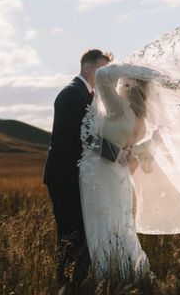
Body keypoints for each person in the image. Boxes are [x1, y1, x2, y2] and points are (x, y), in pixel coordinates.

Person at [78, 62, 180, 283]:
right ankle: (128, 271)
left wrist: (126, 66)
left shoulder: (117, 108)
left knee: (102, 222)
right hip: (120, 175)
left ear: (130, 85)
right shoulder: (141, 119)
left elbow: (101, 76)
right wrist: (128, 152)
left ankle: (107, 275)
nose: (119, 85)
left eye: (124, 82)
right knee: (119, 222)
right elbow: (143, 147)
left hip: (101, 173)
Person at [42, 48, 114, 286]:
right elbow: (86, 137)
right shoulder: (72, 94)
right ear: (87, 68)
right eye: (102, 69)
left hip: (77, 176)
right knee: (70, 232)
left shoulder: (88, 94)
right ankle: (64, 284)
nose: (105, 75)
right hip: (64, 176)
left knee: (80, 231)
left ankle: (76, 281)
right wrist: (117, 153)